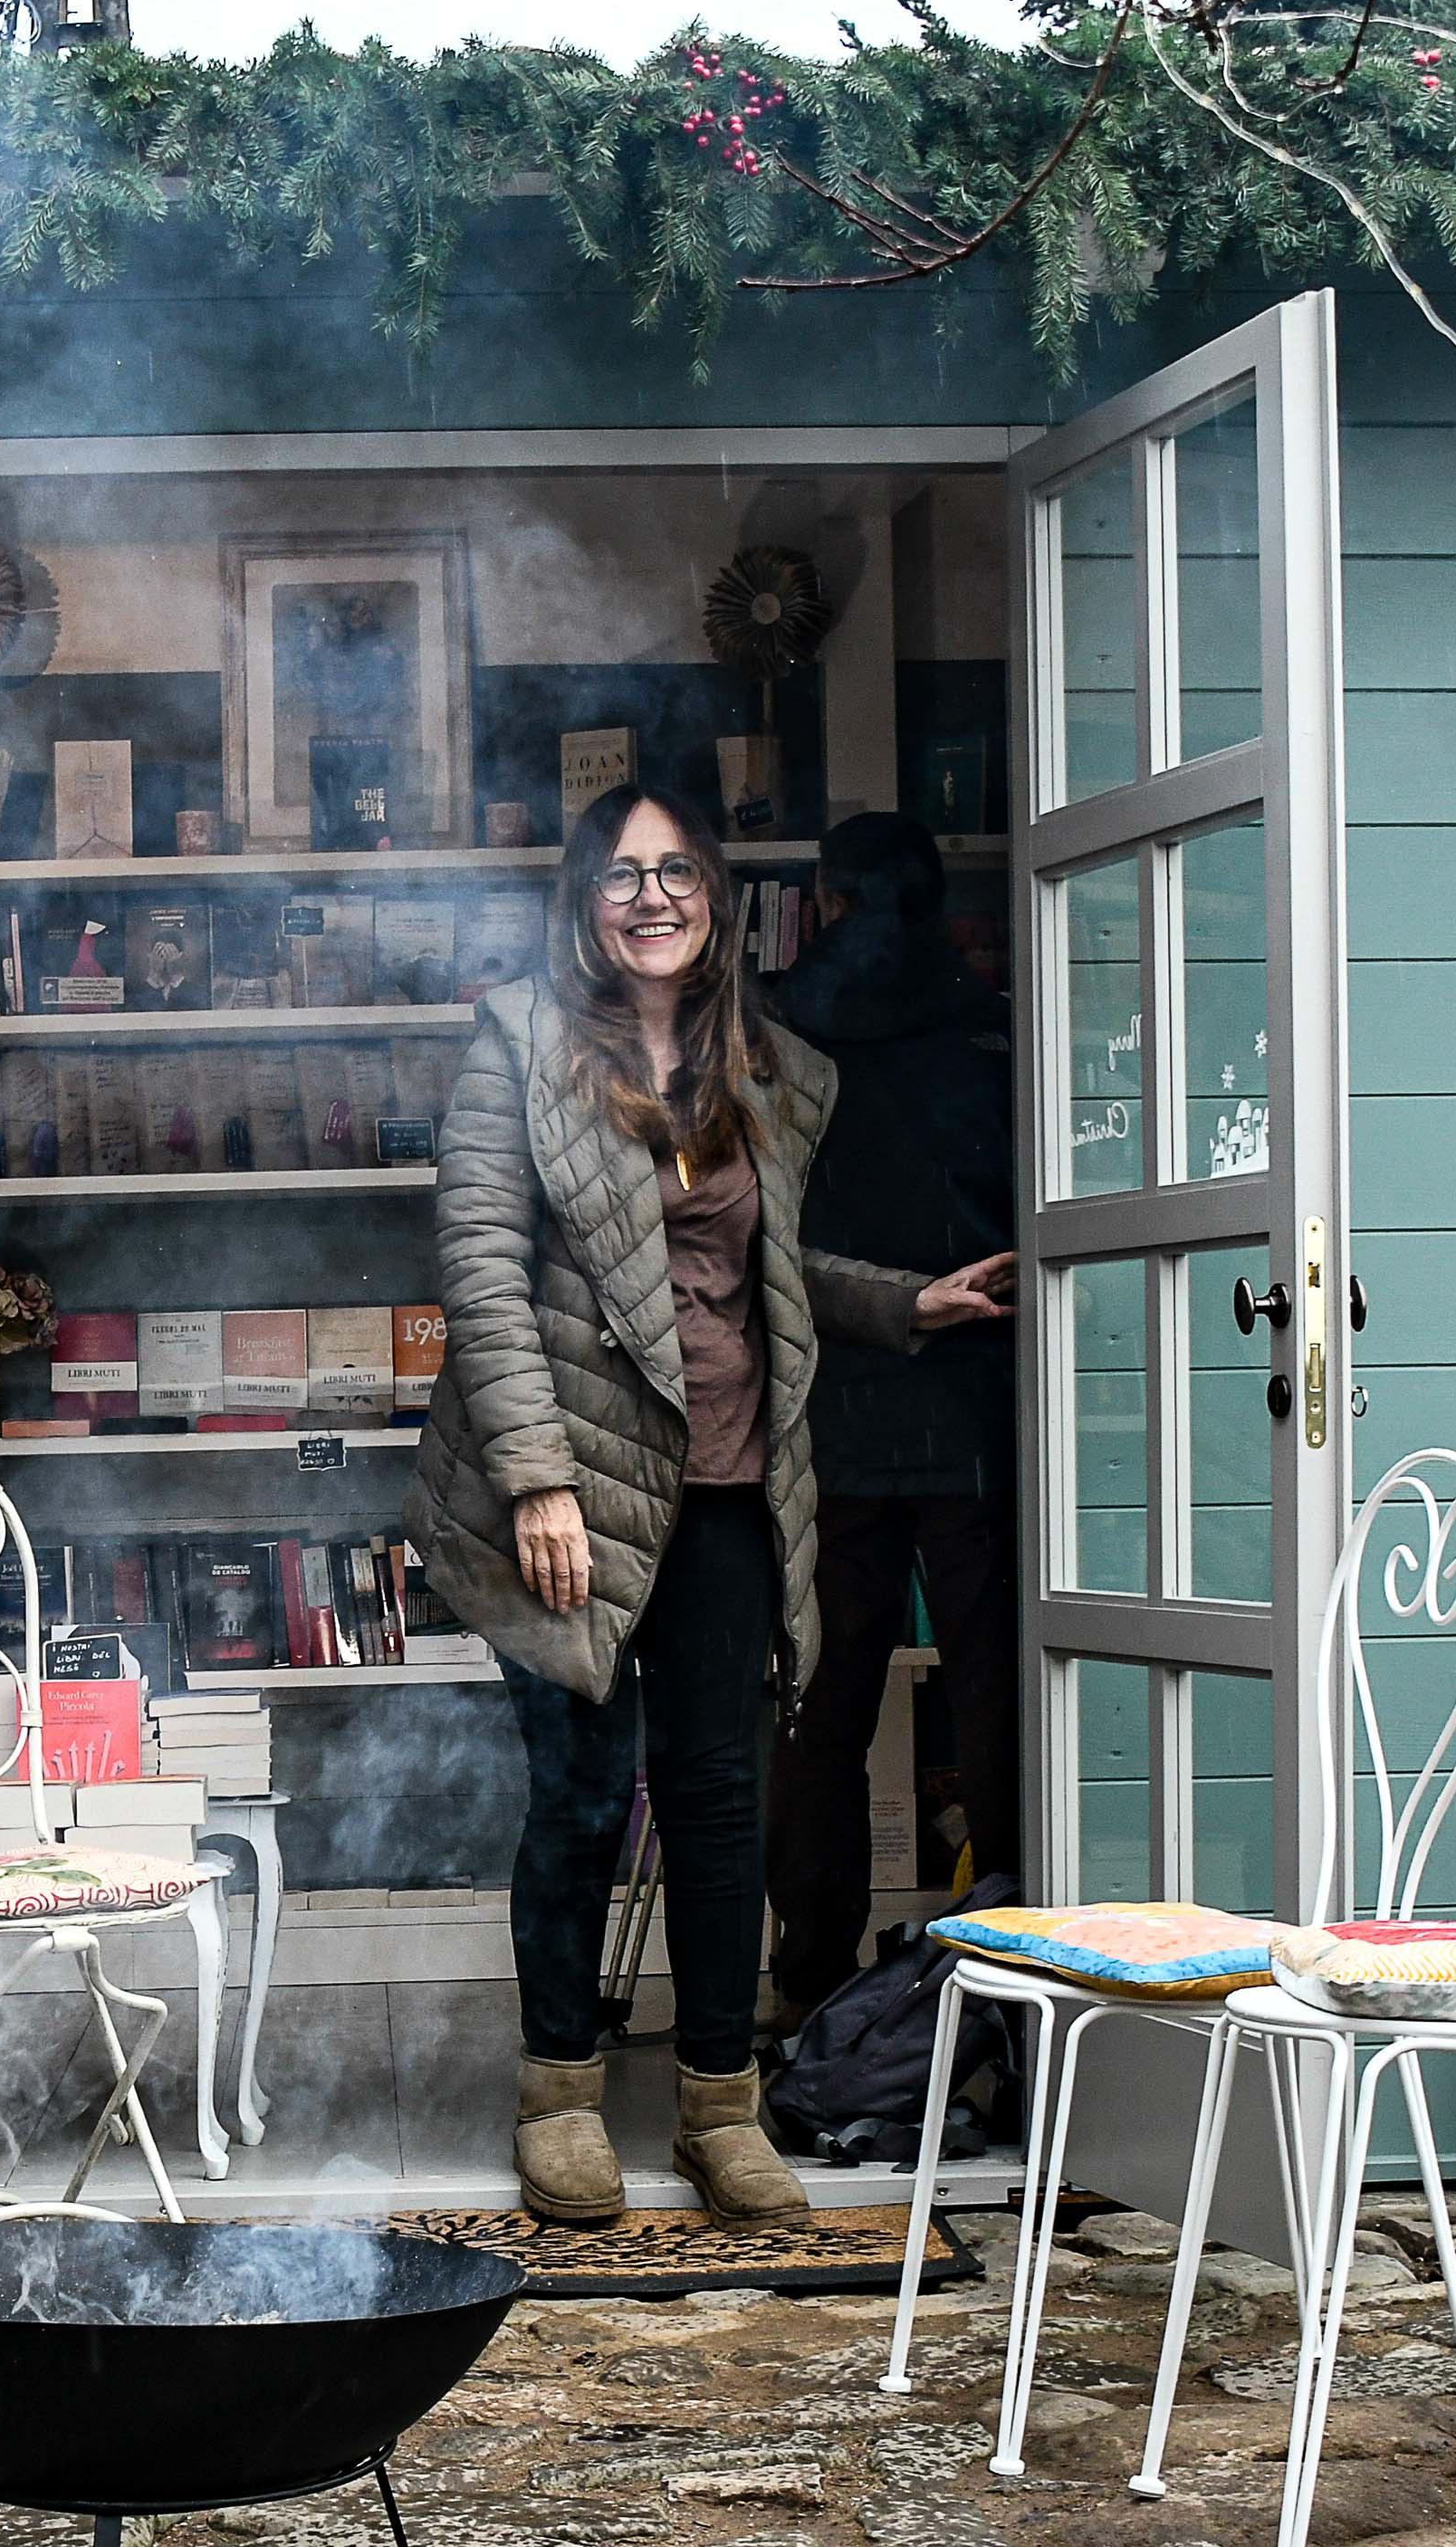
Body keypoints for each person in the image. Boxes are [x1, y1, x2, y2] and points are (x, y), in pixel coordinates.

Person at [408, 784, 1014, 2224]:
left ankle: (717, 2106)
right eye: (624, 874)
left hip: (732, 1483)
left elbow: (774, 1272)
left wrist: (902, 1305)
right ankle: (559, 2089)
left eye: (679, 870)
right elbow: (483, 1275)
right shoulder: (519, 1047)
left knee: (719, 1801)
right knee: (575, 1800)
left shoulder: (775, 1073)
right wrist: (540, 1481)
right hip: (572, 1488)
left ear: (722, 900)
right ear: (584, 902)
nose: (654, 896)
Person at [761, 809, 1020, 2019]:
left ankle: (809, 1975)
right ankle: (1023, 1969)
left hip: (828, 1405)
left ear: (825, 900)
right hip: (974, 1402)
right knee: (995, 1696)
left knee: (824, 1706)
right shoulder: (988, 1026)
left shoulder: (777, 1030)